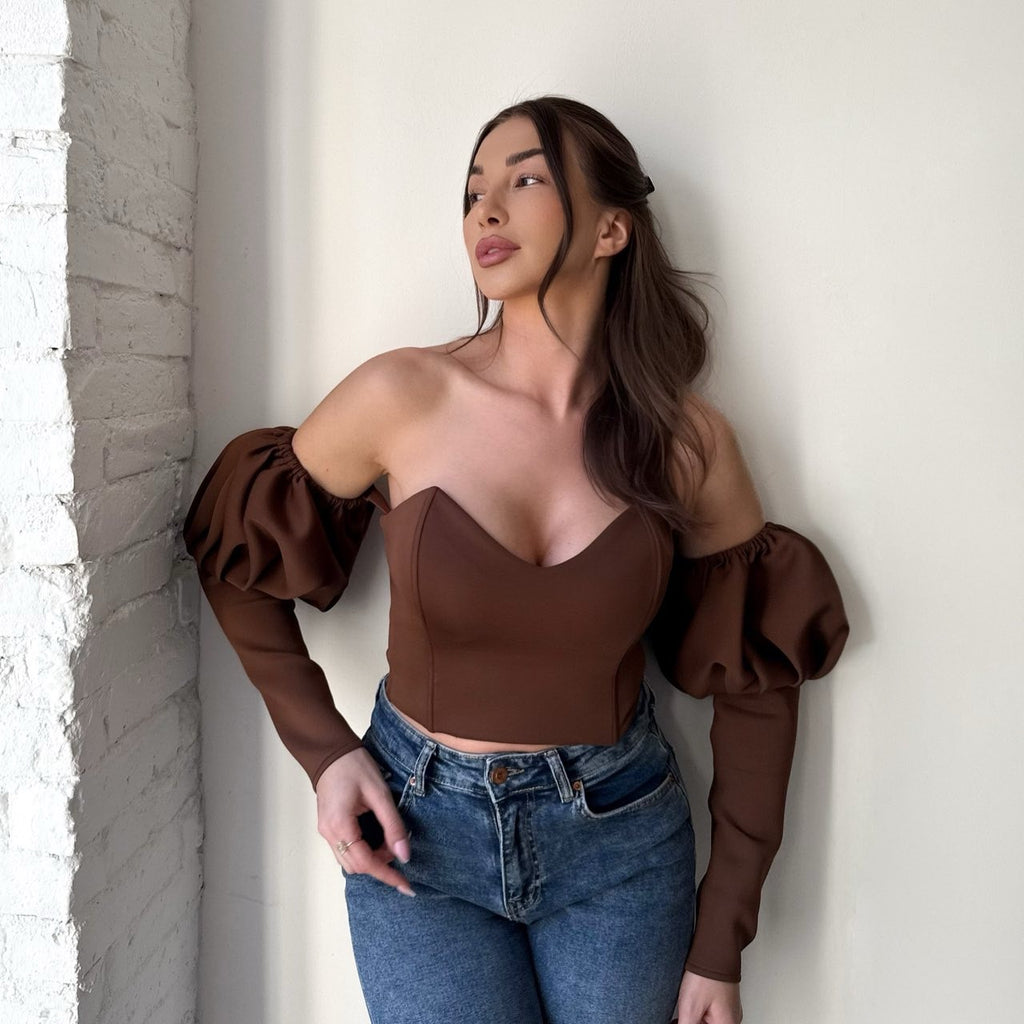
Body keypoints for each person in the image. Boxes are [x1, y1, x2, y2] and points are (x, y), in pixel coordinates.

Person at [182, 95, 850, 1024]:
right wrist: (325, 752)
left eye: (525, 178)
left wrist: (721, 939)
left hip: (621, 843)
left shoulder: (687, 442)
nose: (485, 210)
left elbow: (758, 689)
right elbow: (236, 556)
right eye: (471, 192)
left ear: (612, 230)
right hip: (416, 838)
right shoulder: (403, 395)